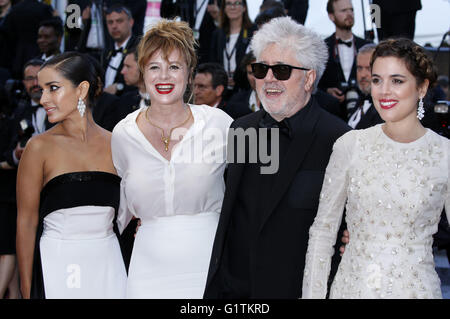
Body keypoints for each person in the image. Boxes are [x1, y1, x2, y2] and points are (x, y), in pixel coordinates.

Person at [203, 16, 350, 299]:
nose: (268, 78)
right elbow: (233, 211)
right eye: (261, 69)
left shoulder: (339, 139)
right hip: (235, 291)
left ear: (309, 78)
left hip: (298, 289)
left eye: (281, 70)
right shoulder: (241, 128)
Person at [302, 38, 449, 299]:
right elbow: (323, 231)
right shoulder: (351, 145)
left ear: (422, 88)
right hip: (352, 288)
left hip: (416, 291)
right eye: (377, 80)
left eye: (397, 81)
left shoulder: (444, 153)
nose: (384, 91)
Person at [111, 19, 233, 298]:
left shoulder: (219, 124)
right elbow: (118, 209)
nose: (164, 76)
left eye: (174, 67)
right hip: (146, 268)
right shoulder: (123, 134)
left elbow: (256, 182)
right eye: (154, 67)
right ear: (142, 73)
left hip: (208, 263)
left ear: (190, 74)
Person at [16, 52, 127, 299]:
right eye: (42, 90)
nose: (44, 98)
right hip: (58, 264)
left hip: (109, 263)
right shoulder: (38, 147)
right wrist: (26, 290)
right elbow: (26, 223)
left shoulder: (118, 143)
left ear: (81, 90)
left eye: (53, 88)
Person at [318, 0, 371, 119]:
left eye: (351, 10)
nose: (349, 14)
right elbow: (314, 84)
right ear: (331, 16)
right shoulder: (321, 47)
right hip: (331, 116)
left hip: (364, 114)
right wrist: (327, 91)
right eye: (343, 10)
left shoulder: (367, 46)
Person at [209, 0, 256, 93]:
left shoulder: (253, 32)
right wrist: (222, 78)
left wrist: (237, 79)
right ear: (224, 8)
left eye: (237, 3)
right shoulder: (218, 34)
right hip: (223, 90)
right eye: (229, 3)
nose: (232, 7)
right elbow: (213, 62)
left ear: (244, 7)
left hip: (245, 90)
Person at [160, 0, 220, 65]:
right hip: (188, 54)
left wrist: (217, 18)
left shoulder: (217, 2)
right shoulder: (186, 1)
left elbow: (226, 27)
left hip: (210, 56)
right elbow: (166, 13)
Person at [102, 5, 139, 96]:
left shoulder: (140, 48)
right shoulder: (105, 51)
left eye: (119, 21)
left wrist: (119, 87)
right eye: (110, 22)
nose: (114, 26)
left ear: (131, 22)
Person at [347, 43, 383, 129]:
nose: (362, 75)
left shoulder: (385, 109)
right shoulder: (361, 99)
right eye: (359, 68)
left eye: (368, 68)